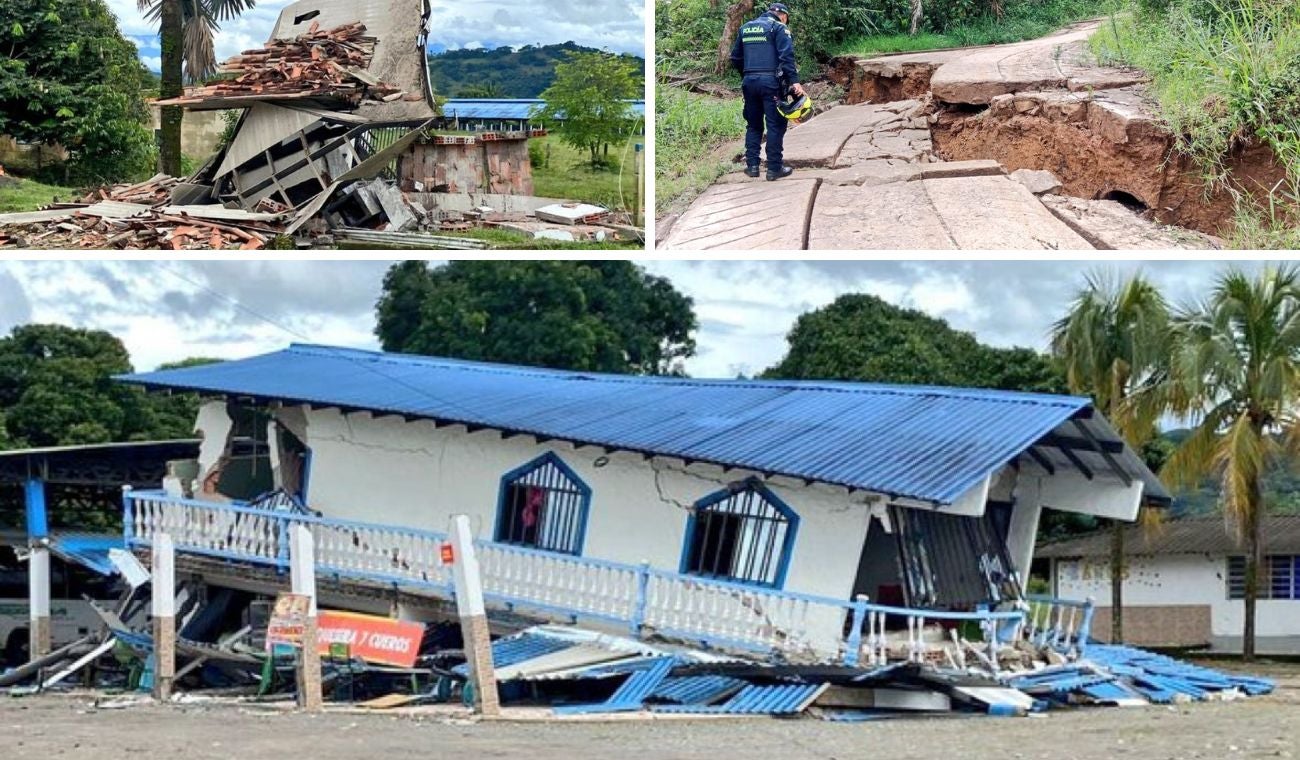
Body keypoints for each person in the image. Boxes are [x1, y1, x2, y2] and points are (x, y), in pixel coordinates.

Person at [730, 2, 806, 181]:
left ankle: (753, 166)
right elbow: (786, 57)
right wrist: (795, 82)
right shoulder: (778, 27)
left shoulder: (745, 28)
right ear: (784, 16)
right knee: (775, 124)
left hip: (749, 82)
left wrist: (747, 74)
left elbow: (735, 57)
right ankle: (774, 168)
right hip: (771, 83)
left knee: (754, 124)